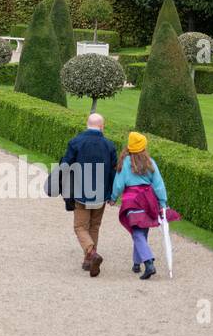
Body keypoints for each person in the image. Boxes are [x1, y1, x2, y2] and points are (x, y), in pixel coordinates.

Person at [109, 131, 178, 280]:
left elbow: (119, 183)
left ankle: (148, 263)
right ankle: (136, 263)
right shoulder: (150, 162)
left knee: (137, 232)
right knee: (141, 231)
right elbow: (159, 185)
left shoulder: (125, 162)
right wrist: (162, 203)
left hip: (132, 201)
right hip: (148, 200)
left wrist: (113, 198)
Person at [58, 113, 119, 277]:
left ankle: (91, 253)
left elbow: (65, 165)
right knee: (94, 226)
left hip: (81, 192)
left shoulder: (75, 142)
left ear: (87, 124)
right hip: (100, 193)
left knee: (79, 227)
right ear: (102, 126)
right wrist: (113, 194)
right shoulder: (109, 145)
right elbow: (114, 172)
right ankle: (88, 260)